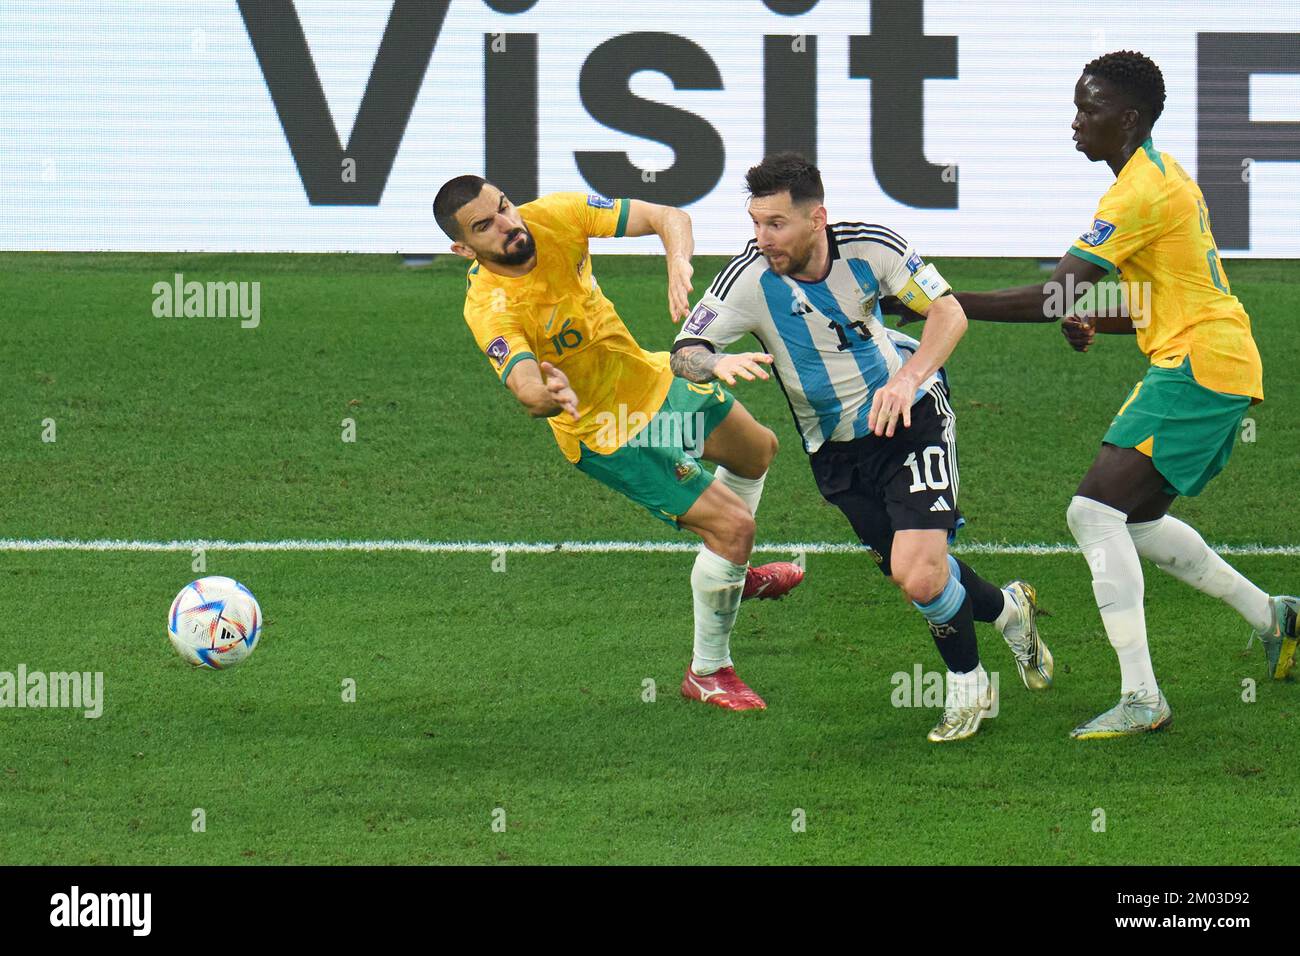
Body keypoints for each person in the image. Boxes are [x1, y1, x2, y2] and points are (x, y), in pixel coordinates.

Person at [884, 51, 1297, 738]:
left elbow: (1053, 295)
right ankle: (1276, 618)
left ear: (1128, 118)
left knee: (1091, 511)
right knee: (1132, 521)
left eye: (1090, 109)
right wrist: (1099, 321)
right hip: (1212, 360)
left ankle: (1143, 698)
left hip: (1199, 366)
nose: (1076, 122)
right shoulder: (1159, 177)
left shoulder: (1139, 191)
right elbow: (1167, 290)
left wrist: (943, 305)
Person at [670, 154, 1052, 742]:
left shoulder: (873, 248)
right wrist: (716, 359)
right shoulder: (747, 279)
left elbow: (947, 312)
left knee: (920, 575)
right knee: (919, 575)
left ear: (816, 218)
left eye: (776, 224)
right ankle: (1008, 611)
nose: (761, 238)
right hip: (836, 453)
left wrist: (908, 378)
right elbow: (684, 349)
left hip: (911, 419)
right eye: (754, 223)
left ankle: (969, 687)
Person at [434, 177, 804, 712]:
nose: (508, 225)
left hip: (652, 381)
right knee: (734, 526)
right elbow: (525, 389)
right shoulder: (491, 307)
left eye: (504, 208)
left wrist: (677, 261)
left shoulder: (556, 216)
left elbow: (668, 215)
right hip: (606, 432)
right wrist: (548, 394)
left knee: (757, 450)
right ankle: (708, 671)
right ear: (463, 249)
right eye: (484, 226)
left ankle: (732, 571)